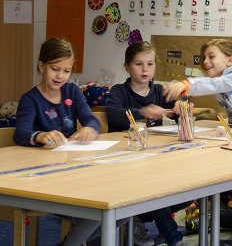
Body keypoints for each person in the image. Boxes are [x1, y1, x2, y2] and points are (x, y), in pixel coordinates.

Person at [163, 38, 232, 246]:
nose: (205, 61)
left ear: (230, 60)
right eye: (204, 58)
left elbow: (213, 84)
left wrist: (186, 84)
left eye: (211, 56)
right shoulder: (223, 87)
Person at [13, 37, 103, 246]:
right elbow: (20, 133)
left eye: (66, 71)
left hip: (73, 170)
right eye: (55, 69)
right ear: (41, 66)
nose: (60, 76)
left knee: (118, 209)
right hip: (44, 177)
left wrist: (89, 128)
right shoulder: (31, 99)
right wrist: (40, 136)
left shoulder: (72, 91)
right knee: (102, 209)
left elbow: (92, 120)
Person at [105, 41, 190, 246]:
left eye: (150, 64)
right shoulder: (119, 91)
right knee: (155, 193)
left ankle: (140, 218)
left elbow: (177, 114)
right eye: (139, 64)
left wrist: (180, 107)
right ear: (127, 67)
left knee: (188, 193)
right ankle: (174, 240)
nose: (145, 70)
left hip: (154, 159)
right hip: (125, 160)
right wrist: (144, 112)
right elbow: (113, 115)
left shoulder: (159, 91)